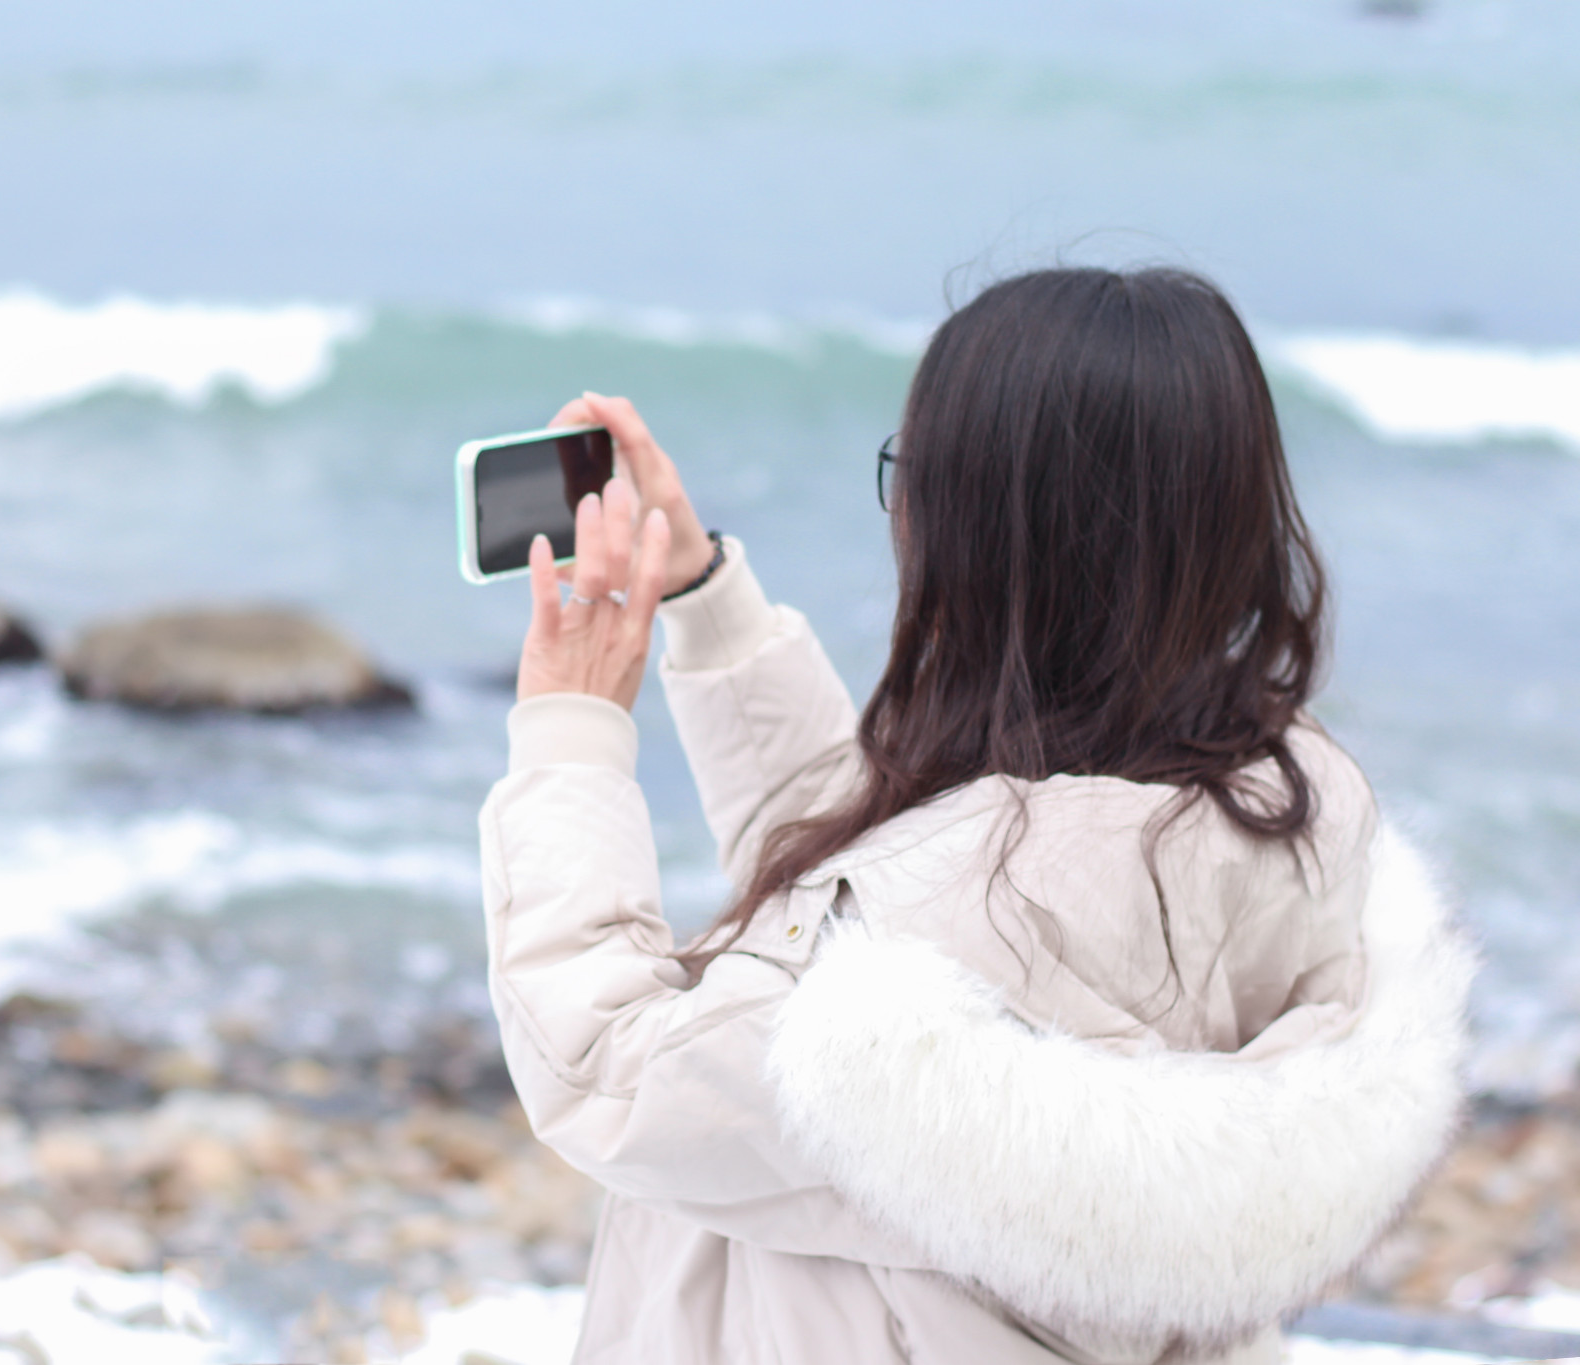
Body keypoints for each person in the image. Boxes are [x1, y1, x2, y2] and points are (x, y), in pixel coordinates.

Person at [477, 268, 1475, 1365]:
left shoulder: (933, 958)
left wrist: (570, 731)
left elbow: (603, 1067)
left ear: (991, 536)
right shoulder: (1261, 813)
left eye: (913, 478)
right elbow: (871, 883)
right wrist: (705, 598)